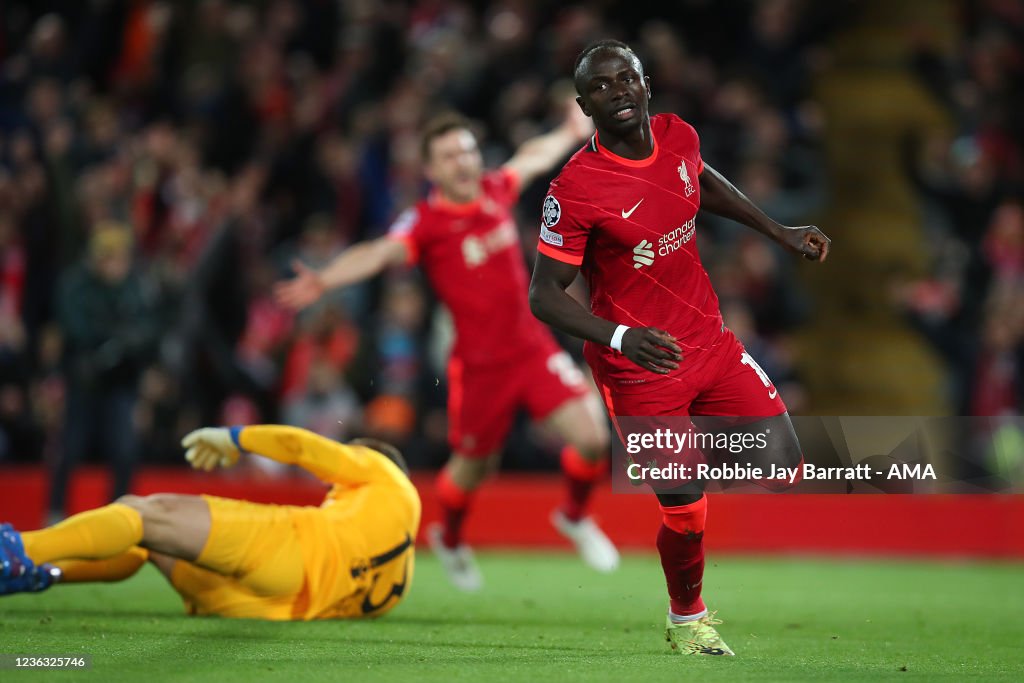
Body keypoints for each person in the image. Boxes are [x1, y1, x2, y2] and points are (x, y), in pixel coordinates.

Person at [528, 40, 831, 656]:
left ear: (646, 84)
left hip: (709, 344)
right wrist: (619, 337)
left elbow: (701, 182)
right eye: (602, 88)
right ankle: (687, 618)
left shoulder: (679, 135)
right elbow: (543, 295)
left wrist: (776, 230)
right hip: (640, 368)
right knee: (686, 513)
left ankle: (677, 465)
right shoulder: (577, 187)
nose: (617, 93)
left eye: (626, 79)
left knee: (784, 467)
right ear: (585, 105)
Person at [275, 104, 620, 591]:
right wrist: (326, 278)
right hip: (478, 368)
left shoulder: (495, 191)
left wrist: (568, 129)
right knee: (473, 468)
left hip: (531, 348)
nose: (463, 161)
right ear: (431, 170)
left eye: (468, 150)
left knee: (592, 440)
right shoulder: (425, 223)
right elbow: (379, 251)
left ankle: (574, 516)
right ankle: (452, 538)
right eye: (449, 155)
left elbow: (532, 157)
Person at [0, 425, 419, 621]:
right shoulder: (400, 575)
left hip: (292, 548)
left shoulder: (384, 471)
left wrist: (236, 439)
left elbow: (303, 447)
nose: (332, 488)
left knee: (146, 511)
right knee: (153, 542)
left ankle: (21, 552)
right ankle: (43, 574)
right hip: (265, 608)